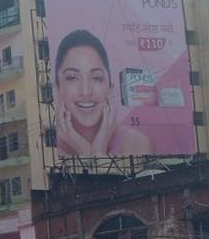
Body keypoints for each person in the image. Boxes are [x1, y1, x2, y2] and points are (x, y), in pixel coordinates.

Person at [53, 29, 153, 157]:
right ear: (57, 88)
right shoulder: (48, 150)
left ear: (110, 88)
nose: (86, 91)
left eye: (96, 78)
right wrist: (86, 151)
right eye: (72, 77)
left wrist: (98, 150)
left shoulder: (136, 143)